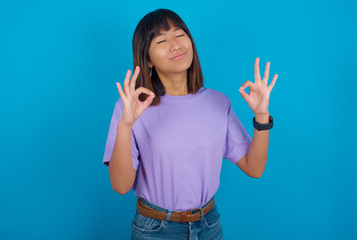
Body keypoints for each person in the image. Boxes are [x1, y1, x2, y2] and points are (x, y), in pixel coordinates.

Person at [102, 8, 277, 240]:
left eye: (179, 34)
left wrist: (262, 117)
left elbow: (254, 168)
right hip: (155, 230)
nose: (175, 45)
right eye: (162, 40)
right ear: (147, 59)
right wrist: (125, 125)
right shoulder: (133, 108)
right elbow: (121, 186)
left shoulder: (218, 102)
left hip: (209, 225)